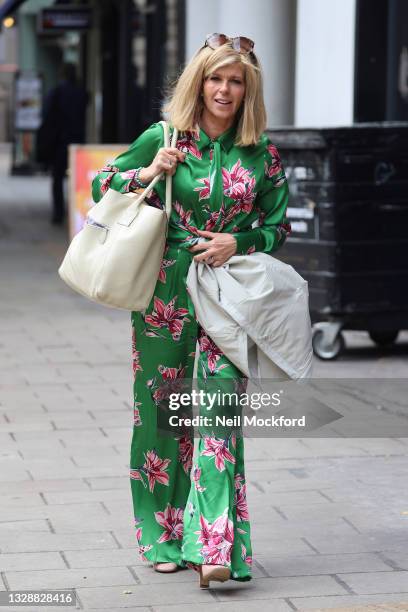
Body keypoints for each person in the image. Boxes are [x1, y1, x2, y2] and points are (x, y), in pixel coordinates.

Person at [91, 33, 291, 589]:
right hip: (166, 296)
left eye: (236, 81)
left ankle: (214, 545)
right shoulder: (165, 136)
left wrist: (241, 241)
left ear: (248, 90)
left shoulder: (262, 151)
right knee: (162, 414)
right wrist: (150, 171)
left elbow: (281, 227)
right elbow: (100, 183)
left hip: (231, 298)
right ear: (198, 83)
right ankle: (159, 534)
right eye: (215, 79)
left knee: (219, 415)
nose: (224, 90)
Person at [37, 62, 87, 225]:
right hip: (77, 141)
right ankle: (75, 210)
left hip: (60, 141)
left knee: (57, 178)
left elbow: (47, 117)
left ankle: (58, 212)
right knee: (77, 179)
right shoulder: (82, 93)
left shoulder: (56, 93)